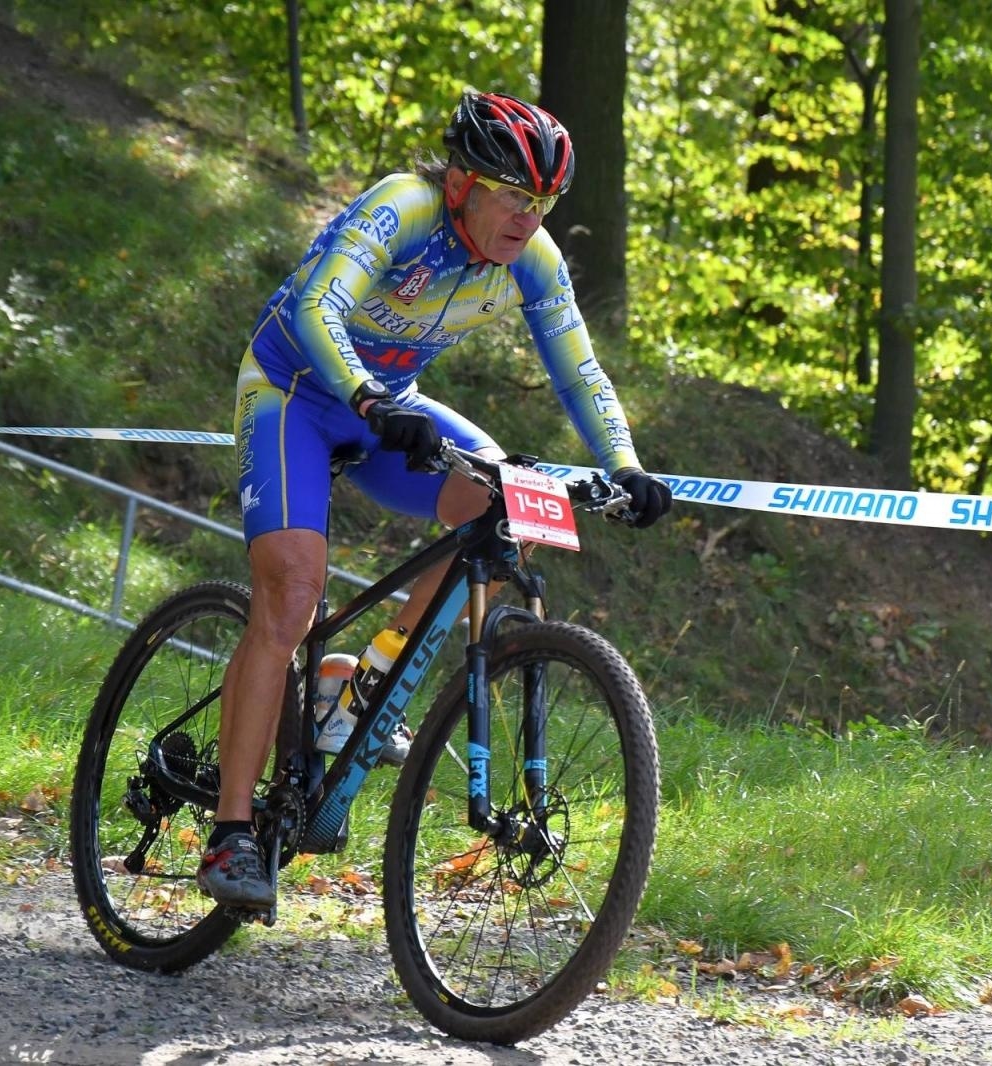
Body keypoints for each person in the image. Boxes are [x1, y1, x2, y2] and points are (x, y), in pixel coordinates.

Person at [197, 89, 673, 907]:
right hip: (294, 391)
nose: (531, 218)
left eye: (546, 202)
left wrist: (625, 463)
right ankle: (231, 836)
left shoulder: (533, 260)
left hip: (385, 402)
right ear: (462, 183)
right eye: (516, 197)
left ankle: (359, 688)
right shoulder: (404, 207)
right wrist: (366, 397)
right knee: (292, 596)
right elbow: (316, 306)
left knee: (507, 504)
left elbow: (579, 371)